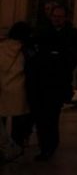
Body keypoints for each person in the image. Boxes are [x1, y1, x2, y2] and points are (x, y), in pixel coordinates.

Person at [25, 4, 77, 161]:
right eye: (54, 16)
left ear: (65, 18)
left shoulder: (72, 33)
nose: (57, 19)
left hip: (59, 81)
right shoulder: (42, 31)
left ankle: (50, 146)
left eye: (60, 16)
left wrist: (66, 61)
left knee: (52, 116)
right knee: (40, 116)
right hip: (40, 80)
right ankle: (44, 146)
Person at [0, 22, 32, 162]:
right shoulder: (25, 49)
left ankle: (2, 148)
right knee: (18, 122)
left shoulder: (2, 47)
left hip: (2, 87)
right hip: (19, 87)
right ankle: (17, 147)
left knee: (1, 121)